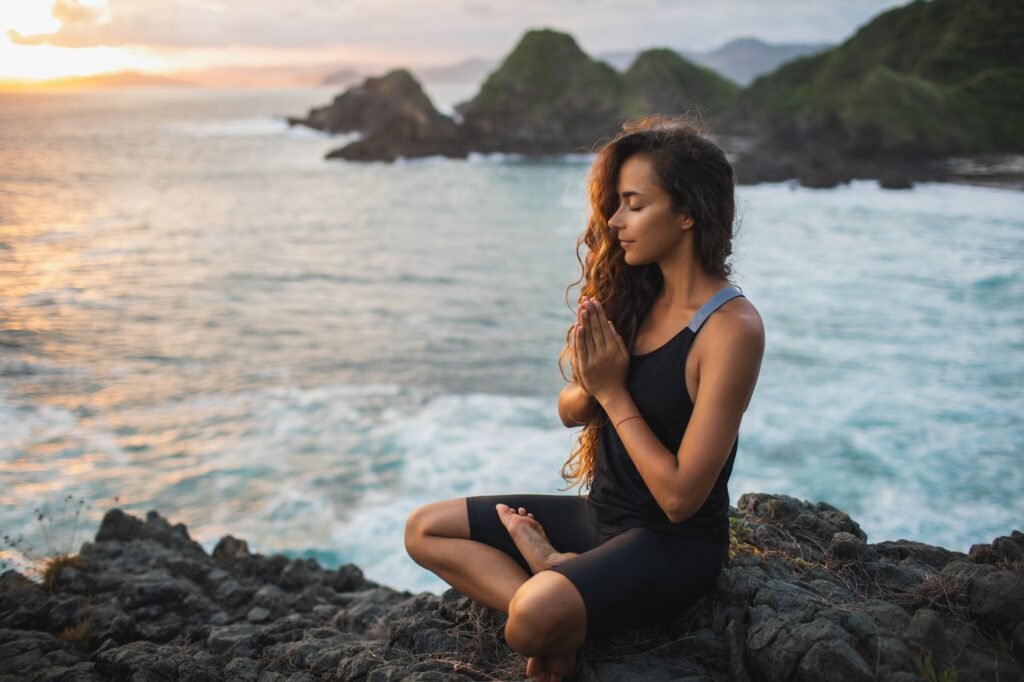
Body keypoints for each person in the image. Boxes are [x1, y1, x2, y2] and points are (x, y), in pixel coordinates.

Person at [404, 113, 765, 682]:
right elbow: (570, 411)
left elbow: (678, 499)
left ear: (689, 212)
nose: (616, 221)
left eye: (635, 204)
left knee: (529, 623)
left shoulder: (730, 329)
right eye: (616, 204)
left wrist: (614, 390)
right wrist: (592, 383)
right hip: (603, 518)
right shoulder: (637, 295)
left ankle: (552, 586)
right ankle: (556, 584)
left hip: (670, 546)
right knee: (425, 528)